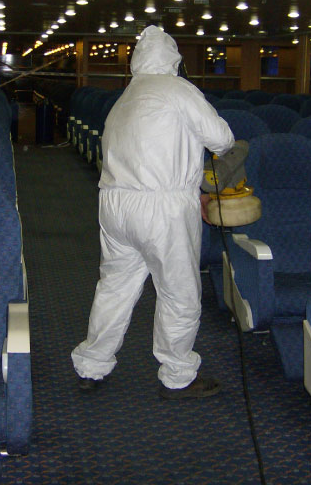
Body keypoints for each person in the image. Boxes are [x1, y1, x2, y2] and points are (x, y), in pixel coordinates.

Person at [71, 25, 235, 399]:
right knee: (179, 293)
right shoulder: (179, 90)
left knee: (114, 287)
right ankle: (178, 375)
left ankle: (92, 364)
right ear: (173, 59)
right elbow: (222, 139)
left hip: (115, 204)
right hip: (163, 207)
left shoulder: (124, 98)